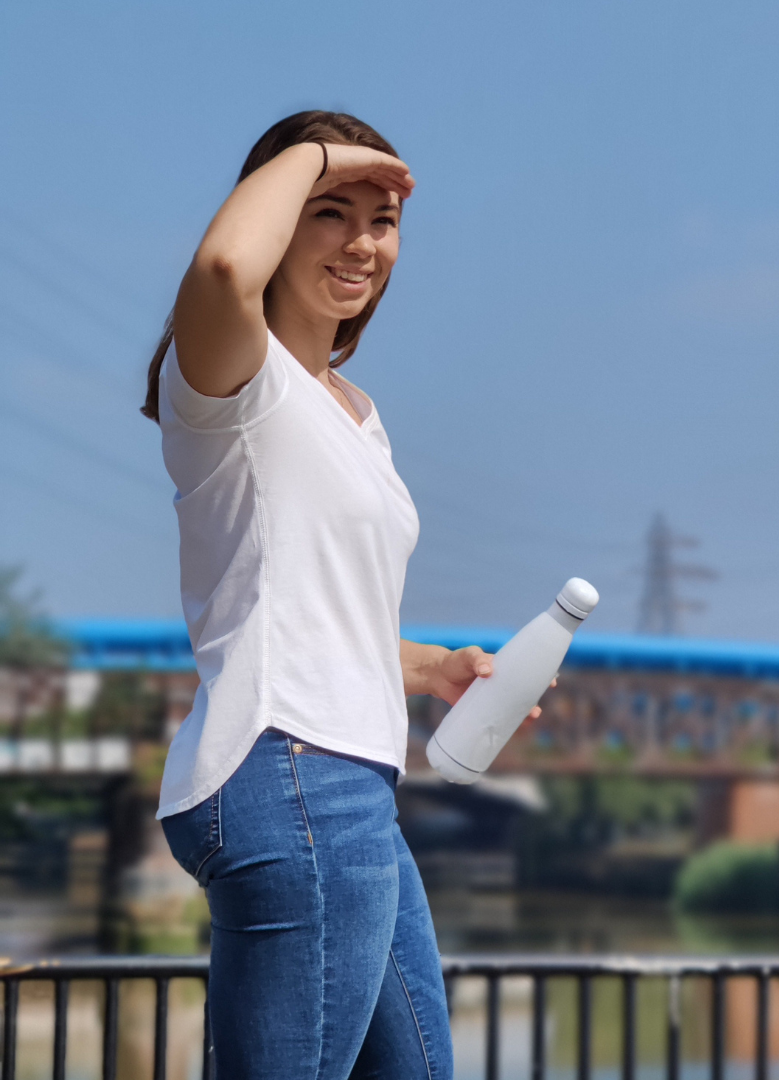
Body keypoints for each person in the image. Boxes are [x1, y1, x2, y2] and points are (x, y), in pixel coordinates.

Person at [141, 110, 526, 1079]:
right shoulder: (233, 374)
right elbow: (226, 268)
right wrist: (315, 153)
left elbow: (309, 607)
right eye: (329, 212)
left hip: (354, 787)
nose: (361, 242)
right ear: (278, 216)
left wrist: (435, 667)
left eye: (382, 219)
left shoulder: (353, 413)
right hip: (291, 770)